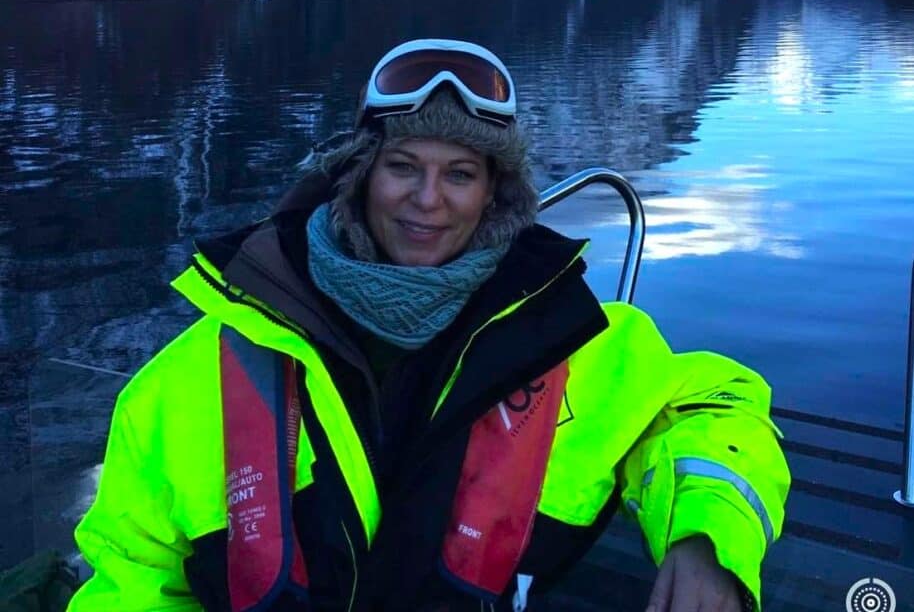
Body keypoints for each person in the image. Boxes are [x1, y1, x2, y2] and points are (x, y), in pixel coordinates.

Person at [69, 38, 790, 611]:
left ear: (495, 195)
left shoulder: (574, 339)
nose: (427, 201)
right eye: (403, 166)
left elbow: (711, 406)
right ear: (358, 176)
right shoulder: (192, 377)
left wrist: (707, 540)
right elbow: (133, 573)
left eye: (461, 174)